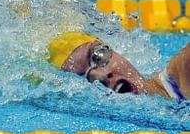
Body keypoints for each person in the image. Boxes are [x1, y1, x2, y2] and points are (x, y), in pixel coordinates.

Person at [47, 31, 189, 102]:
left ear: (115, 51)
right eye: (82, 76)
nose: (101, 76)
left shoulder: (182, 71)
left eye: (98, 56)